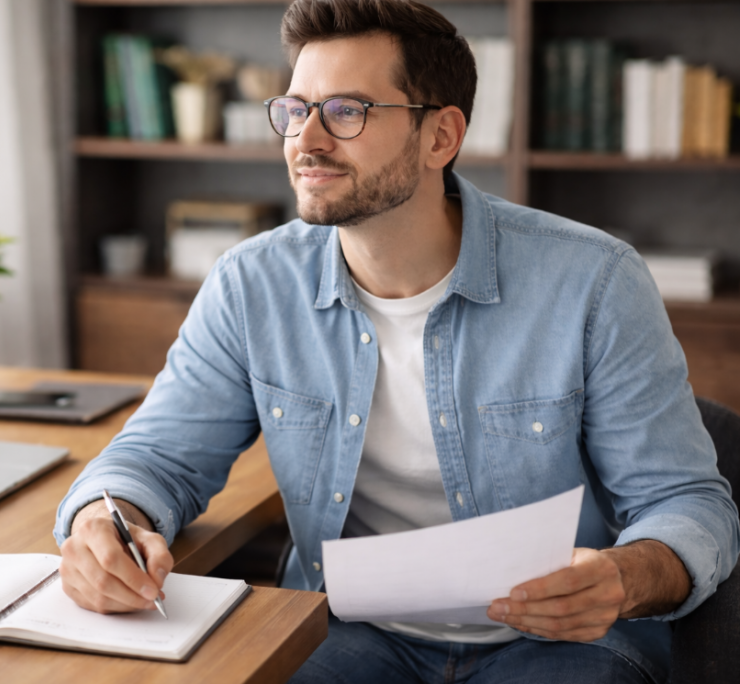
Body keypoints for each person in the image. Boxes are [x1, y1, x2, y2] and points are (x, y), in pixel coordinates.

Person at [55, 1, 739, 681]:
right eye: (296, 110)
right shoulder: (249, 284)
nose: (307, 140)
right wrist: (98, 521)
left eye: (346, 111)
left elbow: (686, 503)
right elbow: (157, 456)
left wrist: (625, 575)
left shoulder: (594, 281)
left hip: (560, 643)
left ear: (441, 137)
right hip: (351, 631)